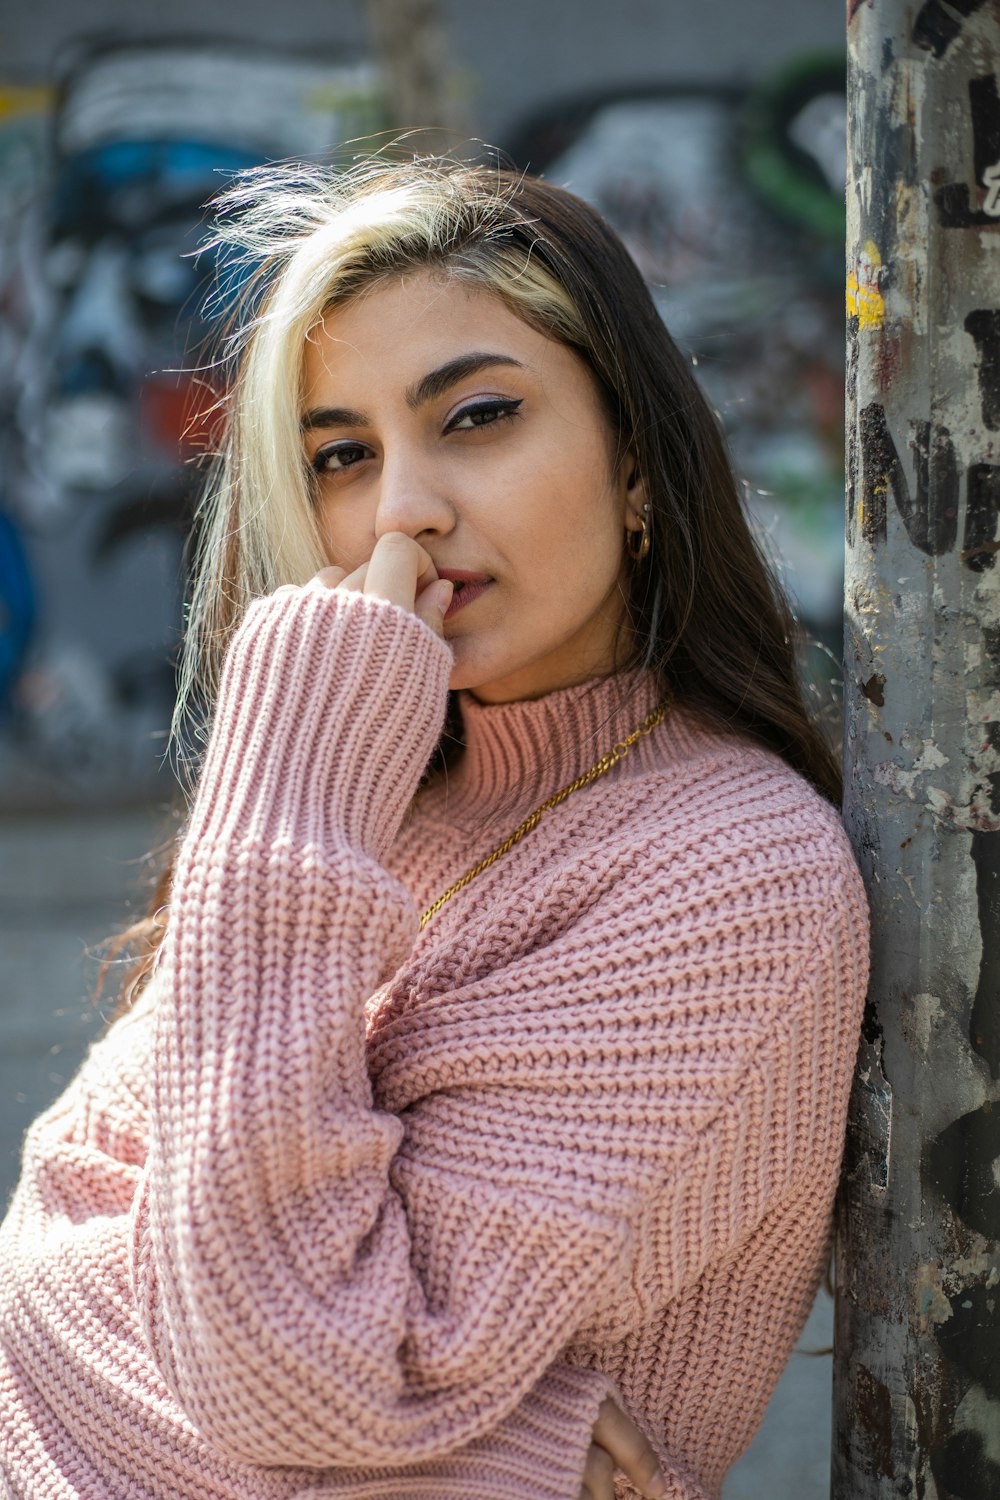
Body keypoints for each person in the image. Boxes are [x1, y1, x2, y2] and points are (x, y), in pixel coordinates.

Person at [0, 155, 869, 1500]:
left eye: (474, 417)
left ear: (637, 466)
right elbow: (48, 1244)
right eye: (342, 454)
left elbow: (274, 1369)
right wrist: (507, 1451)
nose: (402, 506)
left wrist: (289, 772)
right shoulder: (379, 796)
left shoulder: (731, 870)